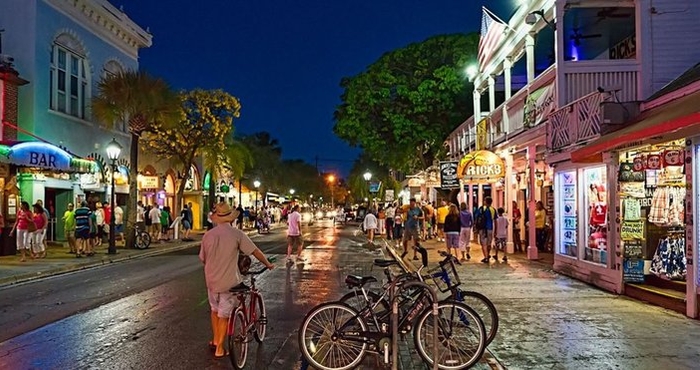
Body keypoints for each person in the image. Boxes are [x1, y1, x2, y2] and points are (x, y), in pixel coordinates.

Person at [199, 202, 275, 359]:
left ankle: (215, 340)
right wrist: (267, 264)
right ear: (230, 218)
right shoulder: (236, 234)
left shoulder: (208, 235)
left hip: (211, 281)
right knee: (224, 315)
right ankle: (219, 348)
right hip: (229, 282)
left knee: (214, 311)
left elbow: (203, 259)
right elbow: (255, 251)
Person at [475, 196, 497, 264]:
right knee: (489, 243)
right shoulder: (493, 209)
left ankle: (486, 257)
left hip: (482, 228)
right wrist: (495, 230)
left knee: (483, 244)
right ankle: (488, 254)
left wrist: (476, 228)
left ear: (485, 201)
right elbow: (495, 220)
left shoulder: (481, 209)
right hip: (490, 228)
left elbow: (476, 217)